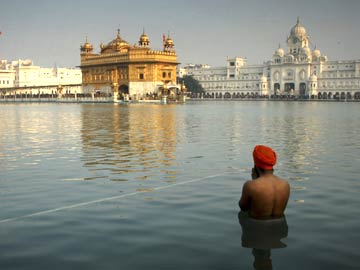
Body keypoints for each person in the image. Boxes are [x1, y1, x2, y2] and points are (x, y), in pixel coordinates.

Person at [239, 145, 290, 219]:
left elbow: (243, 208)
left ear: (256, 165)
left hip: (256, 226)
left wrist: (254, 181)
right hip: (280, 226)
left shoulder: (250, 186)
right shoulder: (285, 184)